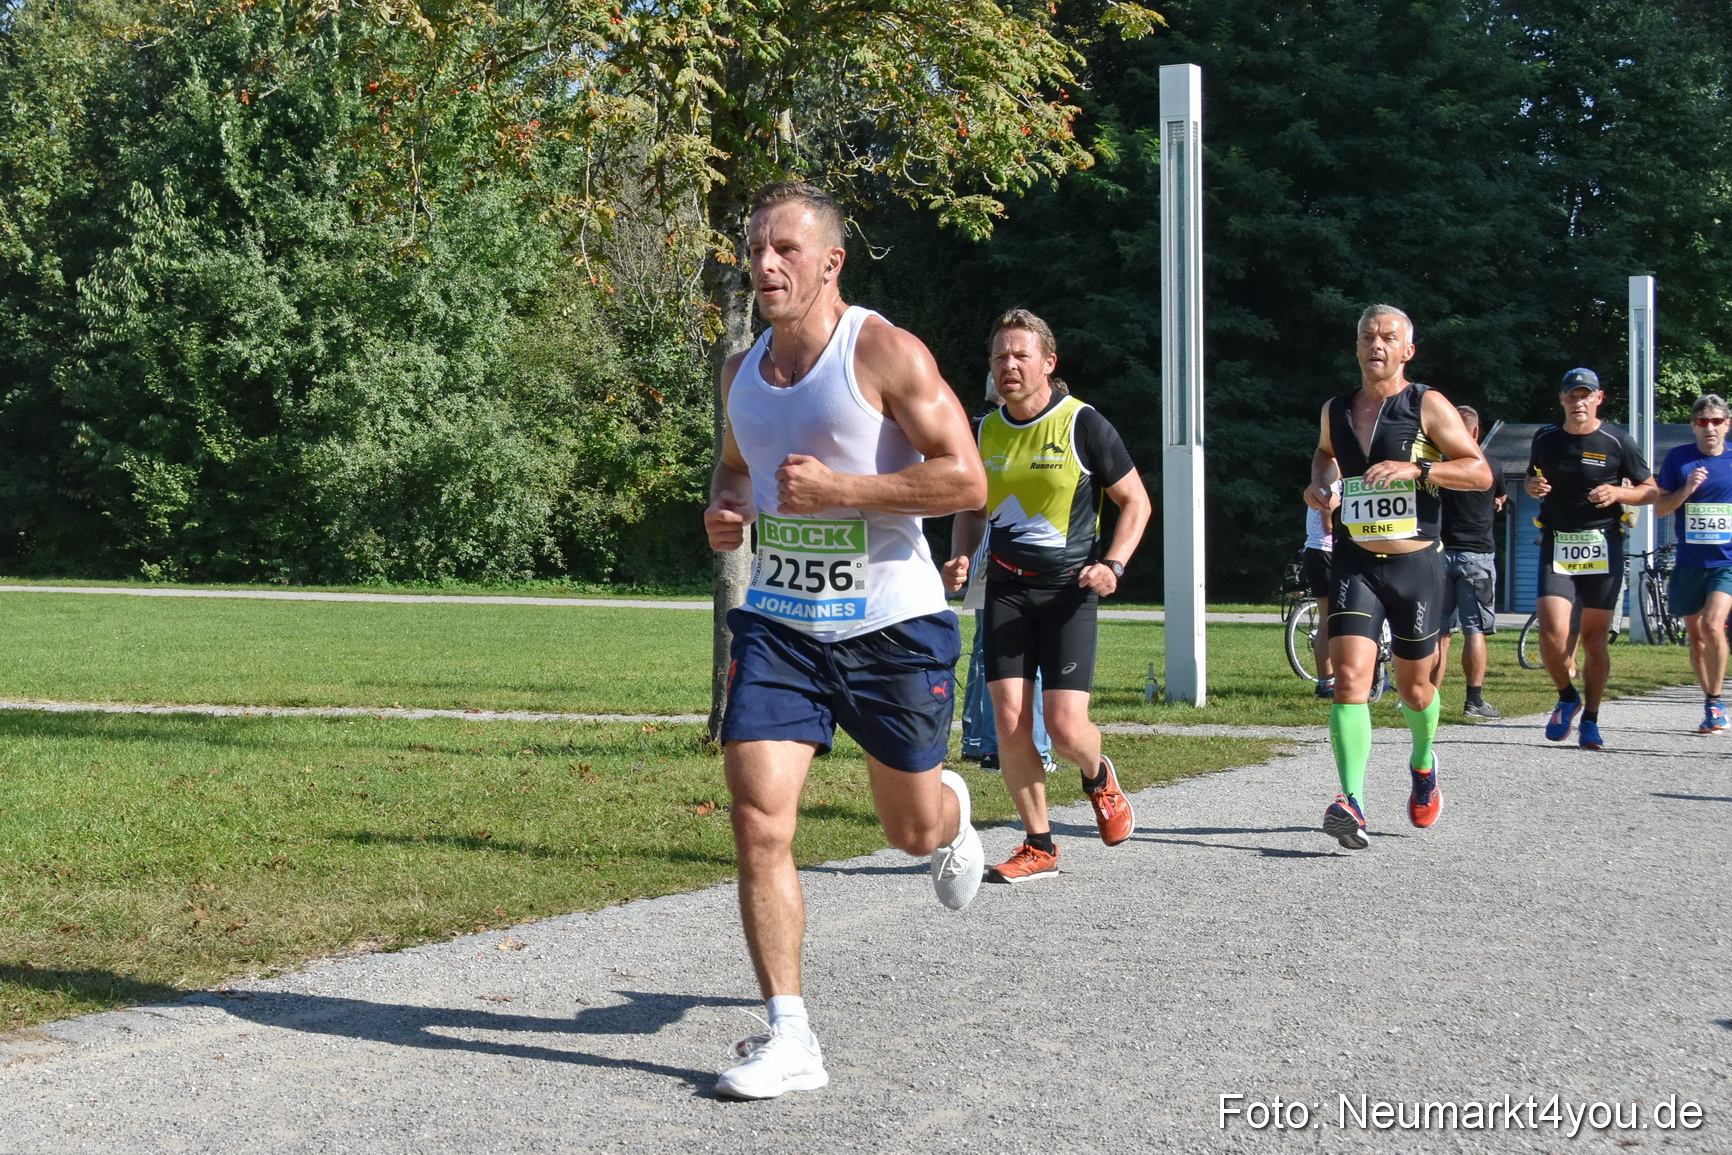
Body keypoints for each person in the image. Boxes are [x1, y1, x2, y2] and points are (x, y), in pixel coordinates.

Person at [702, 181, 988, 1100]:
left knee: (908, 831)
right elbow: (737, 464)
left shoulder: (884, 351)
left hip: (891, 626)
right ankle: (791, 1034)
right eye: (755, 249)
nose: (766, 264)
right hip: (783, 624)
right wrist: (728, 507)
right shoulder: (741, 371)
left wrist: (847, 492)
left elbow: (967, 480)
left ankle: (949, 813)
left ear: (832, 263)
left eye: (786, 249)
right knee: (757, 815)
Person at [942, 308, 1150, 883]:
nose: (1009, 365)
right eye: (1000, 356)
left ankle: (1096, 773)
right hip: (1006, 589)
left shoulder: (1083, 424)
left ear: (1048, 364)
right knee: (1010, 720)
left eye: (1020, 355)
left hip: (1069, 593)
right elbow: (974, 507)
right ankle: (1039, 845)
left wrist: (1114, 564)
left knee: (1063, 725)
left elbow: (1136, 502)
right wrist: (961, 556)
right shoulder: (983, 431)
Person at [1304, 305, 1491, 850]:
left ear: (1407, 350)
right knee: (1350, 677)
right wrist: (1319, 486)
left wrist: (1419, 469)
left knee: (1414, 689)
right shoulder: (1335, 409)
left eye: (1389, 337)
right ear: (1357, 347)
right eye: (1367, 336)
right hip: (1356, 561)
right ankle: (1352, 802)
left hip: (1416, 565)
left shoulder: (1426, 404)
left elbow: (1477, 471)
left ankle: (1423, 763)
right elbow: (1323, 456)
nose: (1376, 344)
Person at [1526, 368, 1658, 750]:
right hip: (1557, 543)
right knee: (1551, 633)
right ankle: (1568, 696)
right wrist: (1533, 486)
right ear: (1562, 399)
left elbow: (1651, 491)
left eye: (1586, 395)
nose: (1578, 402)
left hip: (1603, 545)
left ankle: (1592, 720)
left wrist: (1619, 493)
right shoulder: (1546, 439)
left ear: (1599, 398)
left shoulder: (1618, 440)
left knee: (1594, 638)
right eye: (1572, 395)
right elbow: (1534, 480)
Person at [958, 378, 1056, 773]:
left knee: (987, 651)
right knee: (1012, 655)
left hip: (994, 556)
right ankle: (1022, 747)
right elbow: (973, 506)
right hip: (1001, 558)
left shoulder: (983, 433)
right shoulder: (990, 433)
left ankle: (980, 739)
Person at [1652, 393, 1732, 734]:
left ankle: (1716, 702)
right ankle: (1708, 700)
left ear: (1727, 425)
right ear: (1693, 426)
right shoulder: (1679, 459)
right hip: (1689, 562)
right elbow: (1660, 509)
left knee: (1714, 626)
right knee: (1696, 638)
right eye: (1703, 422)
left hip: (1726, 562)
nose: (1709, 428)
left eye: (1716, 421)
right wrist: (1686, 489)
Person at [1431, 404, 1509, 720]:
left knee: (1438, 634)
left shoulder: (1437, 467)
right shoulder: (1491, 466)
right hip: (1477, 556)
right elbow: (1500, 498)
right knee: (1474, 630)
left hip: (1438, 554)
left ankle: (1427, 698)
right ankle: (1473, 701)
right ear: (1476, 431)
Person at [1300, 481, 1340, 697]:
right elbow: (1330, 525)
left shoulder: (1327, 486)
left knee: (1333, 619)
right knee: (1328, 620)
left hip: (1319, 554)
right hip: (1326, 553)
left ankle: (1331, 680)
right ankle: (1326, 682)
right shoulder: (1329, 487)